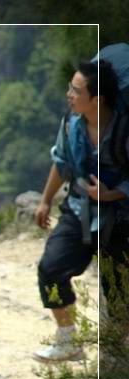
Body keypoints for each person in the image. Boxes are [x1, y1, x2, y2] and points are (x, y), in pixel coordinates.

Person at [33, 57, 129, 361]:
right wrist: (46, 200)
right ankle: (67, 338)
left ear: (97, 99)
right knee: (50, 269)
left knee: (118, 291)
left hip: (121, 219)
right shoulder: (72, 124)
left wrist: (111, 194)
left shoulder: (124, 130)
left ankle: (118, 359)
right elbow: (61, 162)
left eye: (75, 90)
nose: (69, 95)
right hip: (79, 210)